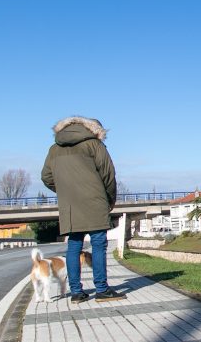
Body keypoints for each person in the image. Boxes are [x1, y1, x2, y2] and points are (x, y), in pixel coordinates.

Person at [41, 116, 126, 304]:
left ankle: (76, 293)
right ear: (94, 129)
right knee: (98, 243)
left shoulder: (54, 149)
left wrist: (65, 191)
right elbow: (108, 174)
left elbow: (46, 177)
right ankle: (102, 290)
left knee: (74, 245)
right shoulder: (94, 145)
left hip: (69, 204)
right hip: (95, 200)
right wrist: (109, 198)